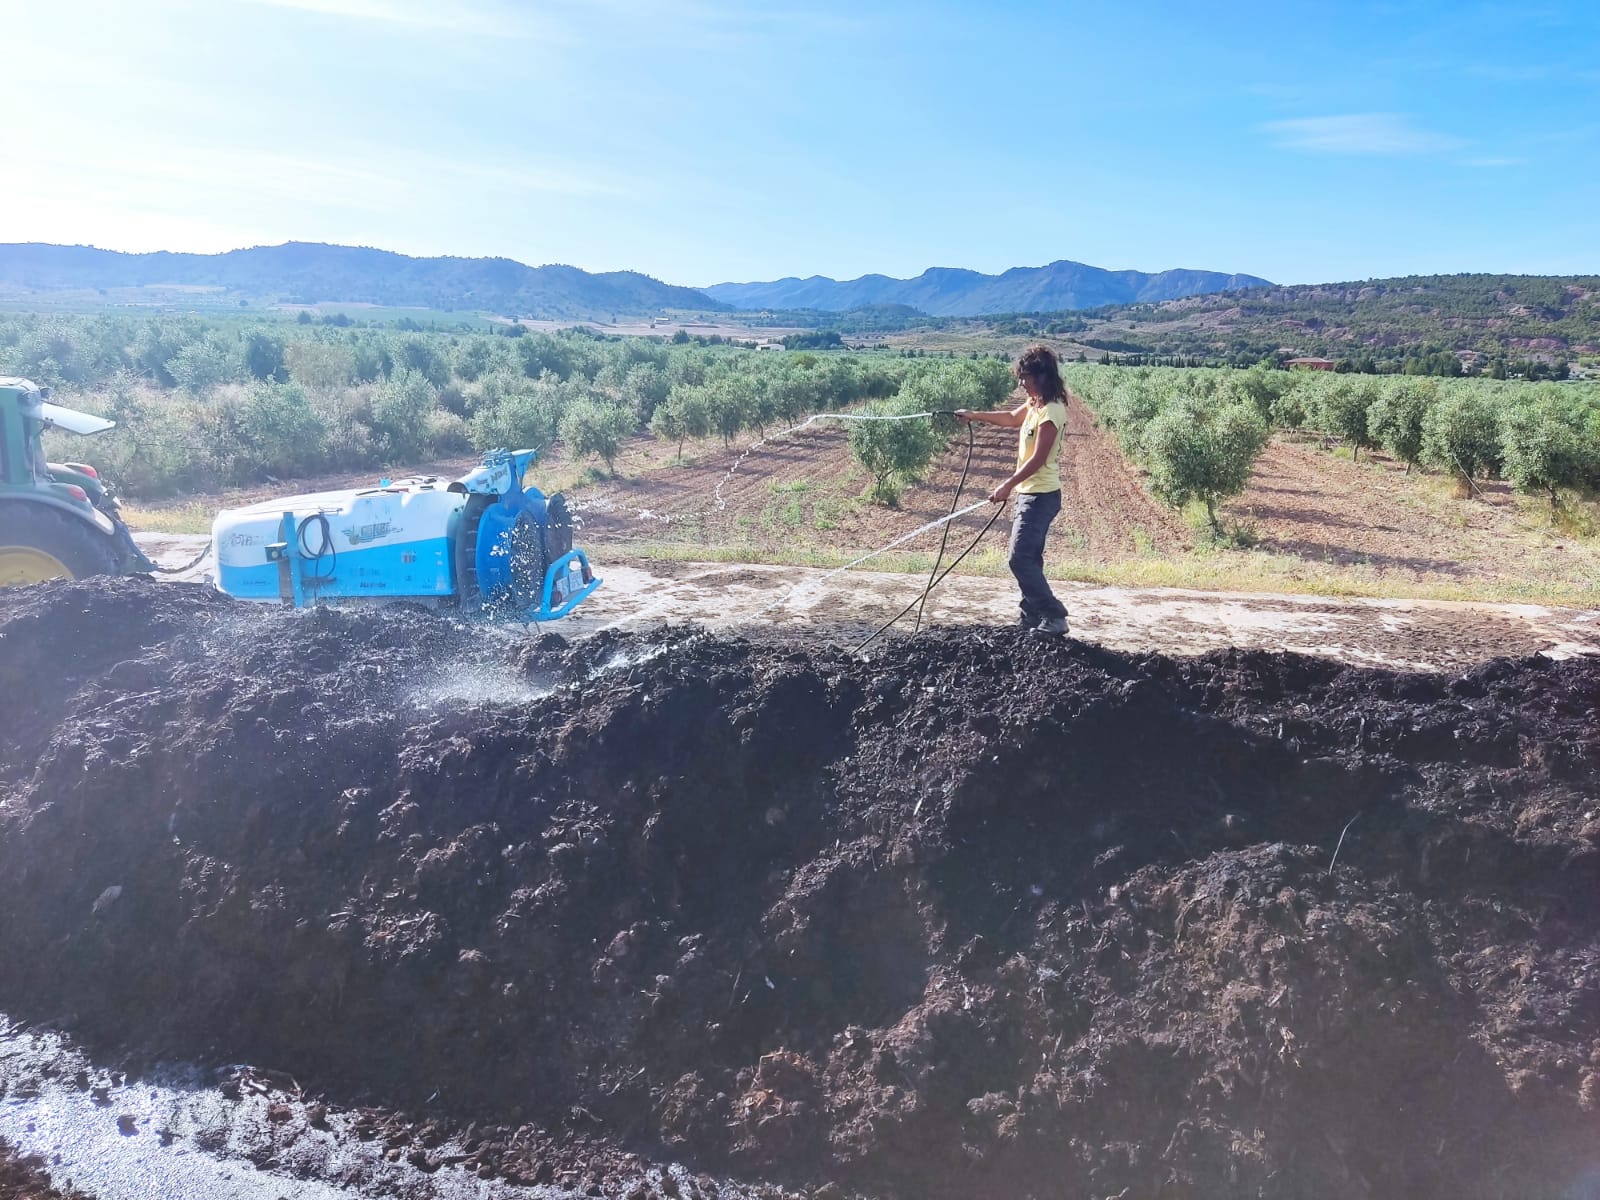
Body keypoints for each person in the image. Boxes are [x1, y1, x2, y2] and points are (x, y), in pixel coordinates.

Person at [954, 345, 1070, 635]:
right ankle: (1031, 619)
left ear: (1041, 376)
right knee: (1031, 559)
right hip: (1030, 495)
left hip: (1041, 496)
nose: (1022, 383)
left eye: (1025, 377)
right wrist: (974, 415)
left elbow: (1038, 459)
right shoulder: (1035, 405)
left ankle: (1054, 616)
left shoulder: (1052, 412)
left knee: (1018, 559)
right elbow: (1010, 417)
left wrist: (1007, 485)